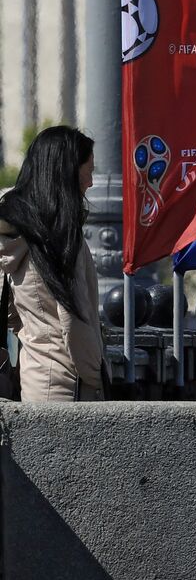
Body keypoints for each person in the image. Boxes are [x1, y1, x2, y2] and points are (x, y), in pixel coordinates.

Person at [0, 126, 106, 401]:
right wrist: (98, 375)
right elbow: (75, 322)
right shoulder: (59, 238)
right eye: (89, 171)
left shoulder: (15, 233)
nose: (91, 183)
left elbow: (11, 312)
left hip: (35, 376)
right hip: (69, 386)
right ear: (67, 171)